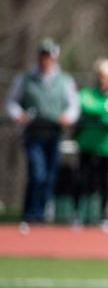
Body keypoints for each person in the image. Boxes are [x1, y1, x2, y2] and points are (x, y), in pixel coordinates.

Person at [5, 39, 79, 228]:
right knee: (37, 173)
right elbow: (11, 103)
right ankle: (30, 213)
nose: (45, 60)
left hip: (54, 134)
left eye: (48, 56)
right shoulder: (26, 78)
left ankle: (41, 214)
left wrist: (67, 117)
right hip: (33, 134)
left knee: (49, 176)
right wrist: (18, 114)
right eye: (42, 55)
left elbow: (73, 107)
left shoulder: (64, 80)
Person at [73, 58, 108, 230]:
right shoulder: (87, 93)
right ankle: (79, 215)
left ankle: (103, 215)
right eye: (100, 76)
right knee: (83, 180)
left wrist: (98, 113)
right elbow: (84, 105)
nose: (102, 79)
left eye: (105, 76)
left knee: (104, 182)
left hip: (107, 146)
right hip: (87, 144)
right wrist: (103, 110)